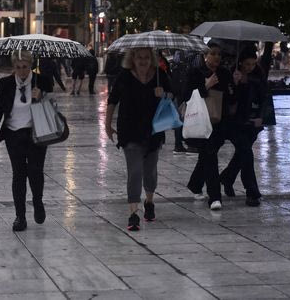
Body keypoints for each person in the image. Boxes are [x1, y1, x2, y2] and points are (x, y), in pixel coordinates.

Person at [0, 50, 53, 232]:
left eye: (26, 67)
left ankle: (37, 201)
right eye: (18, 68)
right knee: (18, 175)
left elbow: (52, 108)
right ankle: (20, 216)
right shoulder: (6, 83)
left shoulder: (41, 81)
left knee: (36, 172)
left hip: (36, 134)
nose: (22, 72)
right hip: (14, 134)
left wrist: (40, 97)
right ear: (13, 67)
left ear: (31, 66)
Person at [105, 48, 172, 231]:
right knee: (134, 172)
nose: (142, 61)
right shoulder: (125, 76)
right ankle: (133, 213)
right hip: (130, 130)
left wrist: (163, 94)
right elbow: (113, 100)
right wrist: (107, 124)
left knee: (150, 171)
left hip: (153, 130)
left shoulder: (160, 75)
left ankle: (149, 202)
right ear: (132, 58)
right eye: (139, 57)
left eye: (146, 57)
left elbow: (173, 96)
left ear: (151, 59)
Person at [184, 42, 237, 211]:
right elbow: (186, 95)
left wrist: (234, 83)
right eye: (213, 53)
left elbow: (231, 97)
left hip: (220, 122)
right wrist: (205, 86)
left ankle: (195, 184)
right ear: (205, 55)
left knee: (207, 156)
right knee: (210, 157)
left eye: (219, 54)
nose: (216, 57)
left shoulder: (224, 73)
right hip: (202, 121)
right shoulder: (196, 72)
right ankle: (215, 197)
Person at [220, 48, 266, 207]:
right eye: (247, 64)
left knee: (243, 153)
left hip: (252, 122)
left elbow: (264, 96)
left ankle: (227, 177)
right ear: (240, 62)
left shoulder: (258, 75)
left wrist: (261, 116)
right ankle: (252, 191)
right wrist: (235, 84)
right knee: (246, 153)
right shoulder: (231, 74)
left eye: (253, 64)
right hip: (234, 123)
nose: (250, 67)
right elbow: (227, 98)